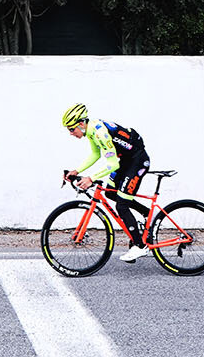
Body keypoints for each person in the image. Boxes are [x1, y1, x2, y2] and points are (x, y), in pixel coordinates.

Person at [62, 102, 151, 262]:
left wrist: (91, 179)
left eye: (71, 128)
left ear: (81, 123)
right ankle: (147, 213)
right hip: (126, 159)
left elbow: (112, 165)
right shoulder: (90, 131)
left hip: (137, 161)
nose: (70, 133)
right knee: (111, 193)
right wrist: (77, 171)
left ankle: (140, 246)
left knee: (122, 205)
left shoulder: (99, 133)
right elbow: (95, 154)